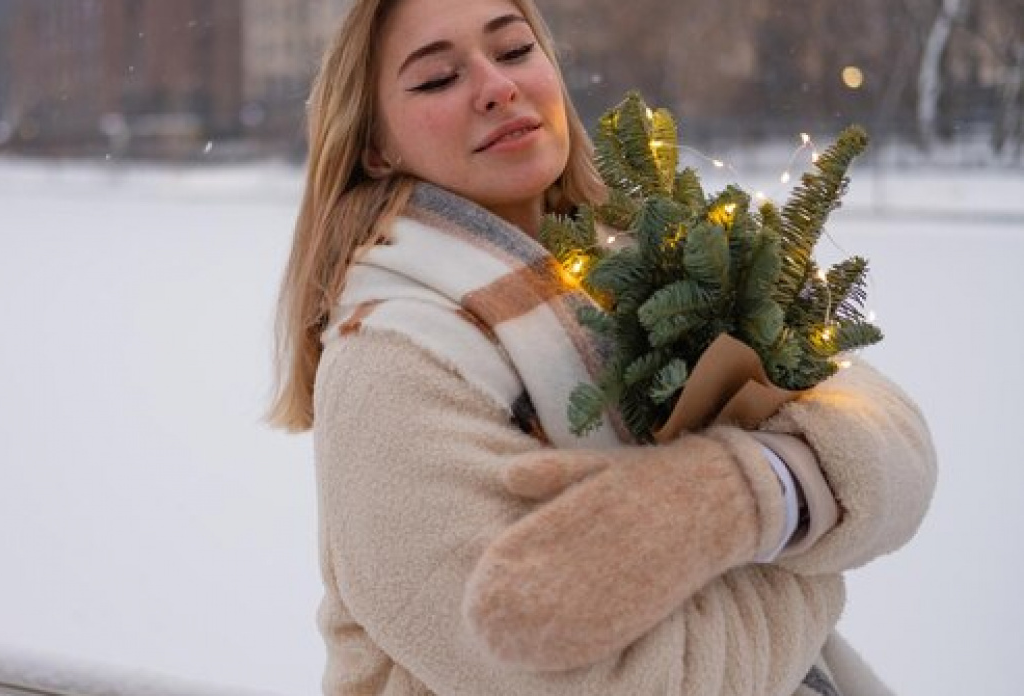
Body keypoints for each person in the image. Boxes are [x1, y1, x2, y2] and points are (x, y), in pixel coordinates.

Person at [268, 0, 938, 694]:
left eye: (515, 50)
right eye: (438, 78)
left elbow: (895, 449)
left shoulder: (646, 255)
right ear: (376, 145)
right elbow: (630, 686)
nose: (497, 86)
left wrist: (742, 496)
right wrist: (805, 551)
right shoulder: (392, 364)